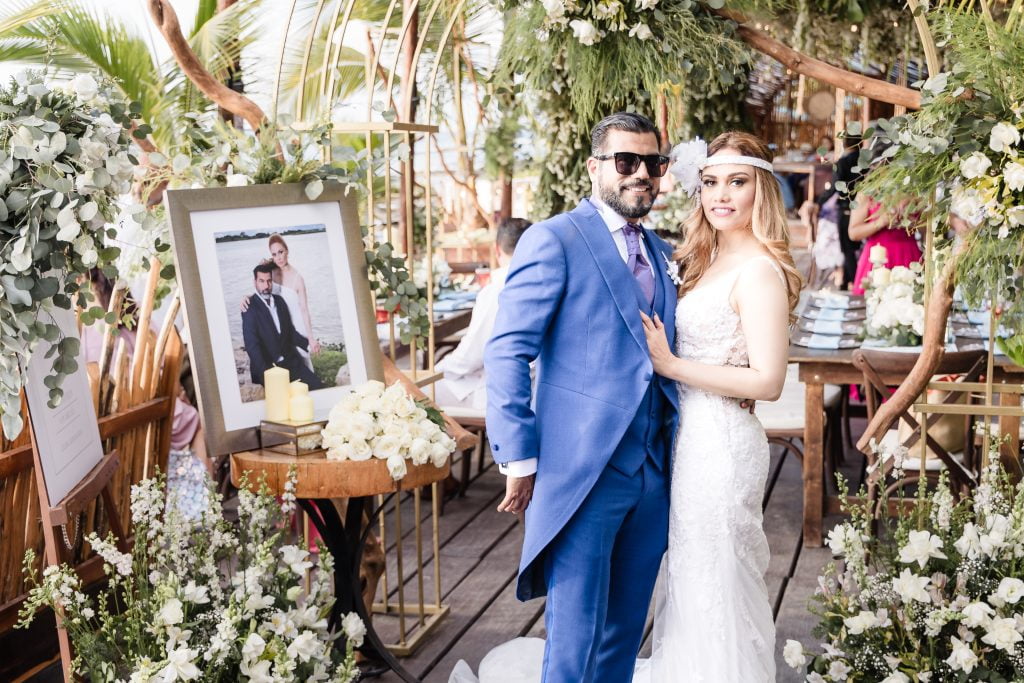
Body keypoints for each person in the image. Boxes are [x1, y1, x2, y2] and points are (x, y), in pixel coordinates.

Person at [485, 112, 680, 682]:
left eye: (653, 163)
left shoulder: (664, 253)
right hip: (583, 473)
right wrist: (518, 459)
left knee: (623, 636)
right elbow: (507, 351)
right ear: (595, 167)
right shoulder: (554, 239)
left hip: (652, 471)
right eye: (626, 161)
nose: (641, 174)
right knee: (573, 643)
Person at [637, 131, 801, 681]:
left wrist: (672, 364)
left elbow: (768, 380)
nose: (721, 195)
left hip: (723, 445)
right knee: (692, 575)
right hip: (689, 440)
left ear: (762, 191)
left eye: (738, 182)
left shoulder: (759, 270)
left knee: (718, 578)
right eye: (710, 182)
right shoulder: (699, 259)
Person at [434, 217, 532, 410]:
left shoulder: (498, 289)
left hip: (497, 393)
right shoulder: (544, 283)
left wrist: (437, 370)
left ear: (497, 250)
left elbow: (469, 358)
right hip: (531, 386)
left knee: (413, 393)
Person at [242, 262, 324, 390]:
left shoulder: (280, 301)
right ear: (255, 282)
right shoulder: (249, 309)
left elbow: (290, 332)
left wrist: (308, 344)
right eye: (261, 281)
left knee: (318, 387)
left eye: (269, 281)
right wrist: (268, 376)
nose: (266, 286)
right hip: (269, 368)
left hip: (291, 362)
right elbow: (252, 347)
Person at [848, 192, 923, 295]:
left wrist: (913, 222)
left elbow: (928, 228)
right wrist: (881, 222)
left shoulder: (916, 190)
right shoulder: (867, 192)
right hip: (877, 258)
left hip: (908, 255)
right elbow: (853, 233)